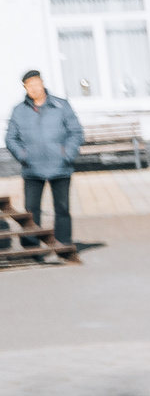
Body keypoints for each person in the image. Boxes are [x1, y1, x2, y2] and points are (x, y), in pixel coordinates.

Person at [7, 70, 83, 262]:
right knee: (31, 211)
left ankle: (64, 246)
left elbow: (76, 132)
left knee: (62, 209)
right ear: (25, 88)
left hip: (60, 167)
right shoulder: (19, 110)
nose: (33, 88)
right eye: (29, 85)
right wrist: (23, 155)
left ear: (42, 83)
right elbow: (10, 138)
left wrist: (67, 153)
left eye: (36, 83)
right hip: (32, 169)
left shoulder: (61, 105)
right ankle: (32, 249)